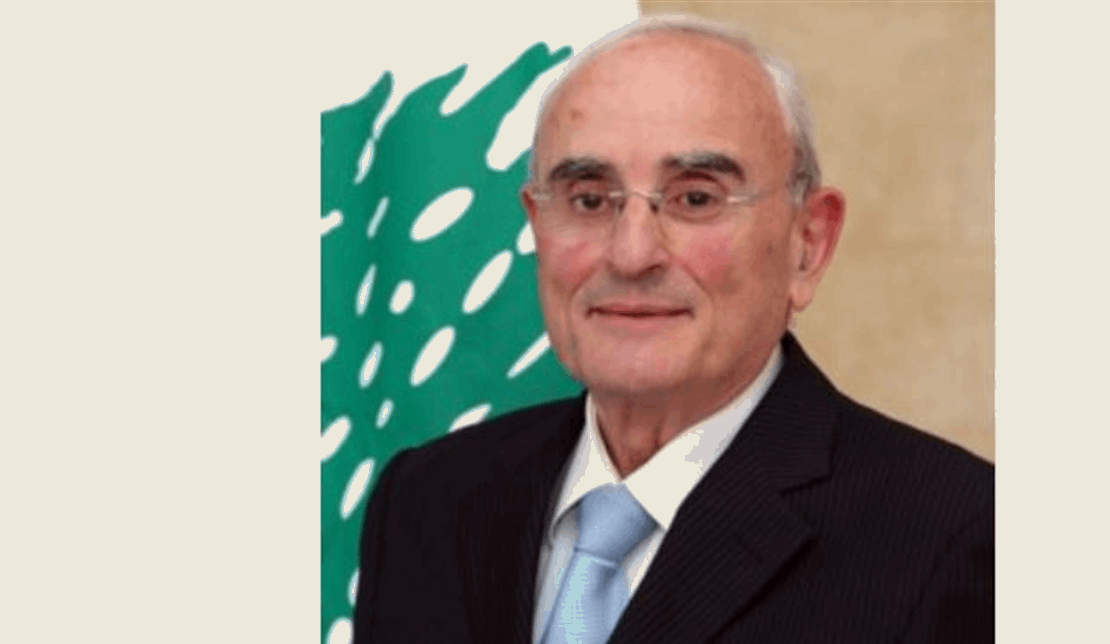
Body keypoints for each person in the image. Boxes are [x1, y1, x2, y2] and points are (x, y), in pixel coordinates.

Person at [353, 15, 993, 644]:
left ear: (808, 243)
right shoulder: (426, 501)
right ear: (537, 224)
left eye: (696, 198)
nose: (632, 254)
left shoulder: (961, 538)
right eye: (588, 199)